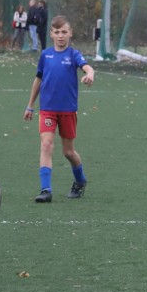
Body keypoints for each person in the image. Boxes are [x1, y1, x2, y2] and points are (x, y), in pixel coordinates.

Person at [23, 16, 95, 203]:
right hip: (47, 109)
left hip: (68, 110)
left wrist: (90, 73)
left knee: (68, 152)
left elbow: (87, 67)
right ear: (51, 34)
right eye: (57, 32)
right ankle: (45, 190)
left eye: (64, 32)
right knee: (46, 144)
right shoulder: (45, 55)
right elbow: (38, 80)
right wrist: (30, 105)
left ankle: (80, 181)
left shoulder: (73, 55)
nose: (61, 36)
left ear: (70, 33)